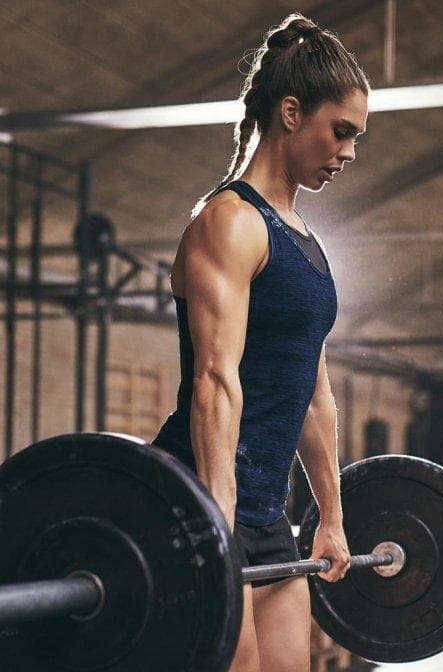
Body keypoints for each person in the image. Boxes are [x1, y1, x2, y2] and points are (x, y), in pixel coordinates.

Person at [152, 13, 369, 672]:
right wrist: (218, 519)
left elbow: (314, 394)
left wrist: (330, 516)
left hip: (268, 510)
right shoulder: (230, 223)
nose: (350, 152)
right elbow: (215, 382)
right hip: (202, 496)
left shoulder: (305, 242)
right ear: (292, 111)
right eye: (342, 131)